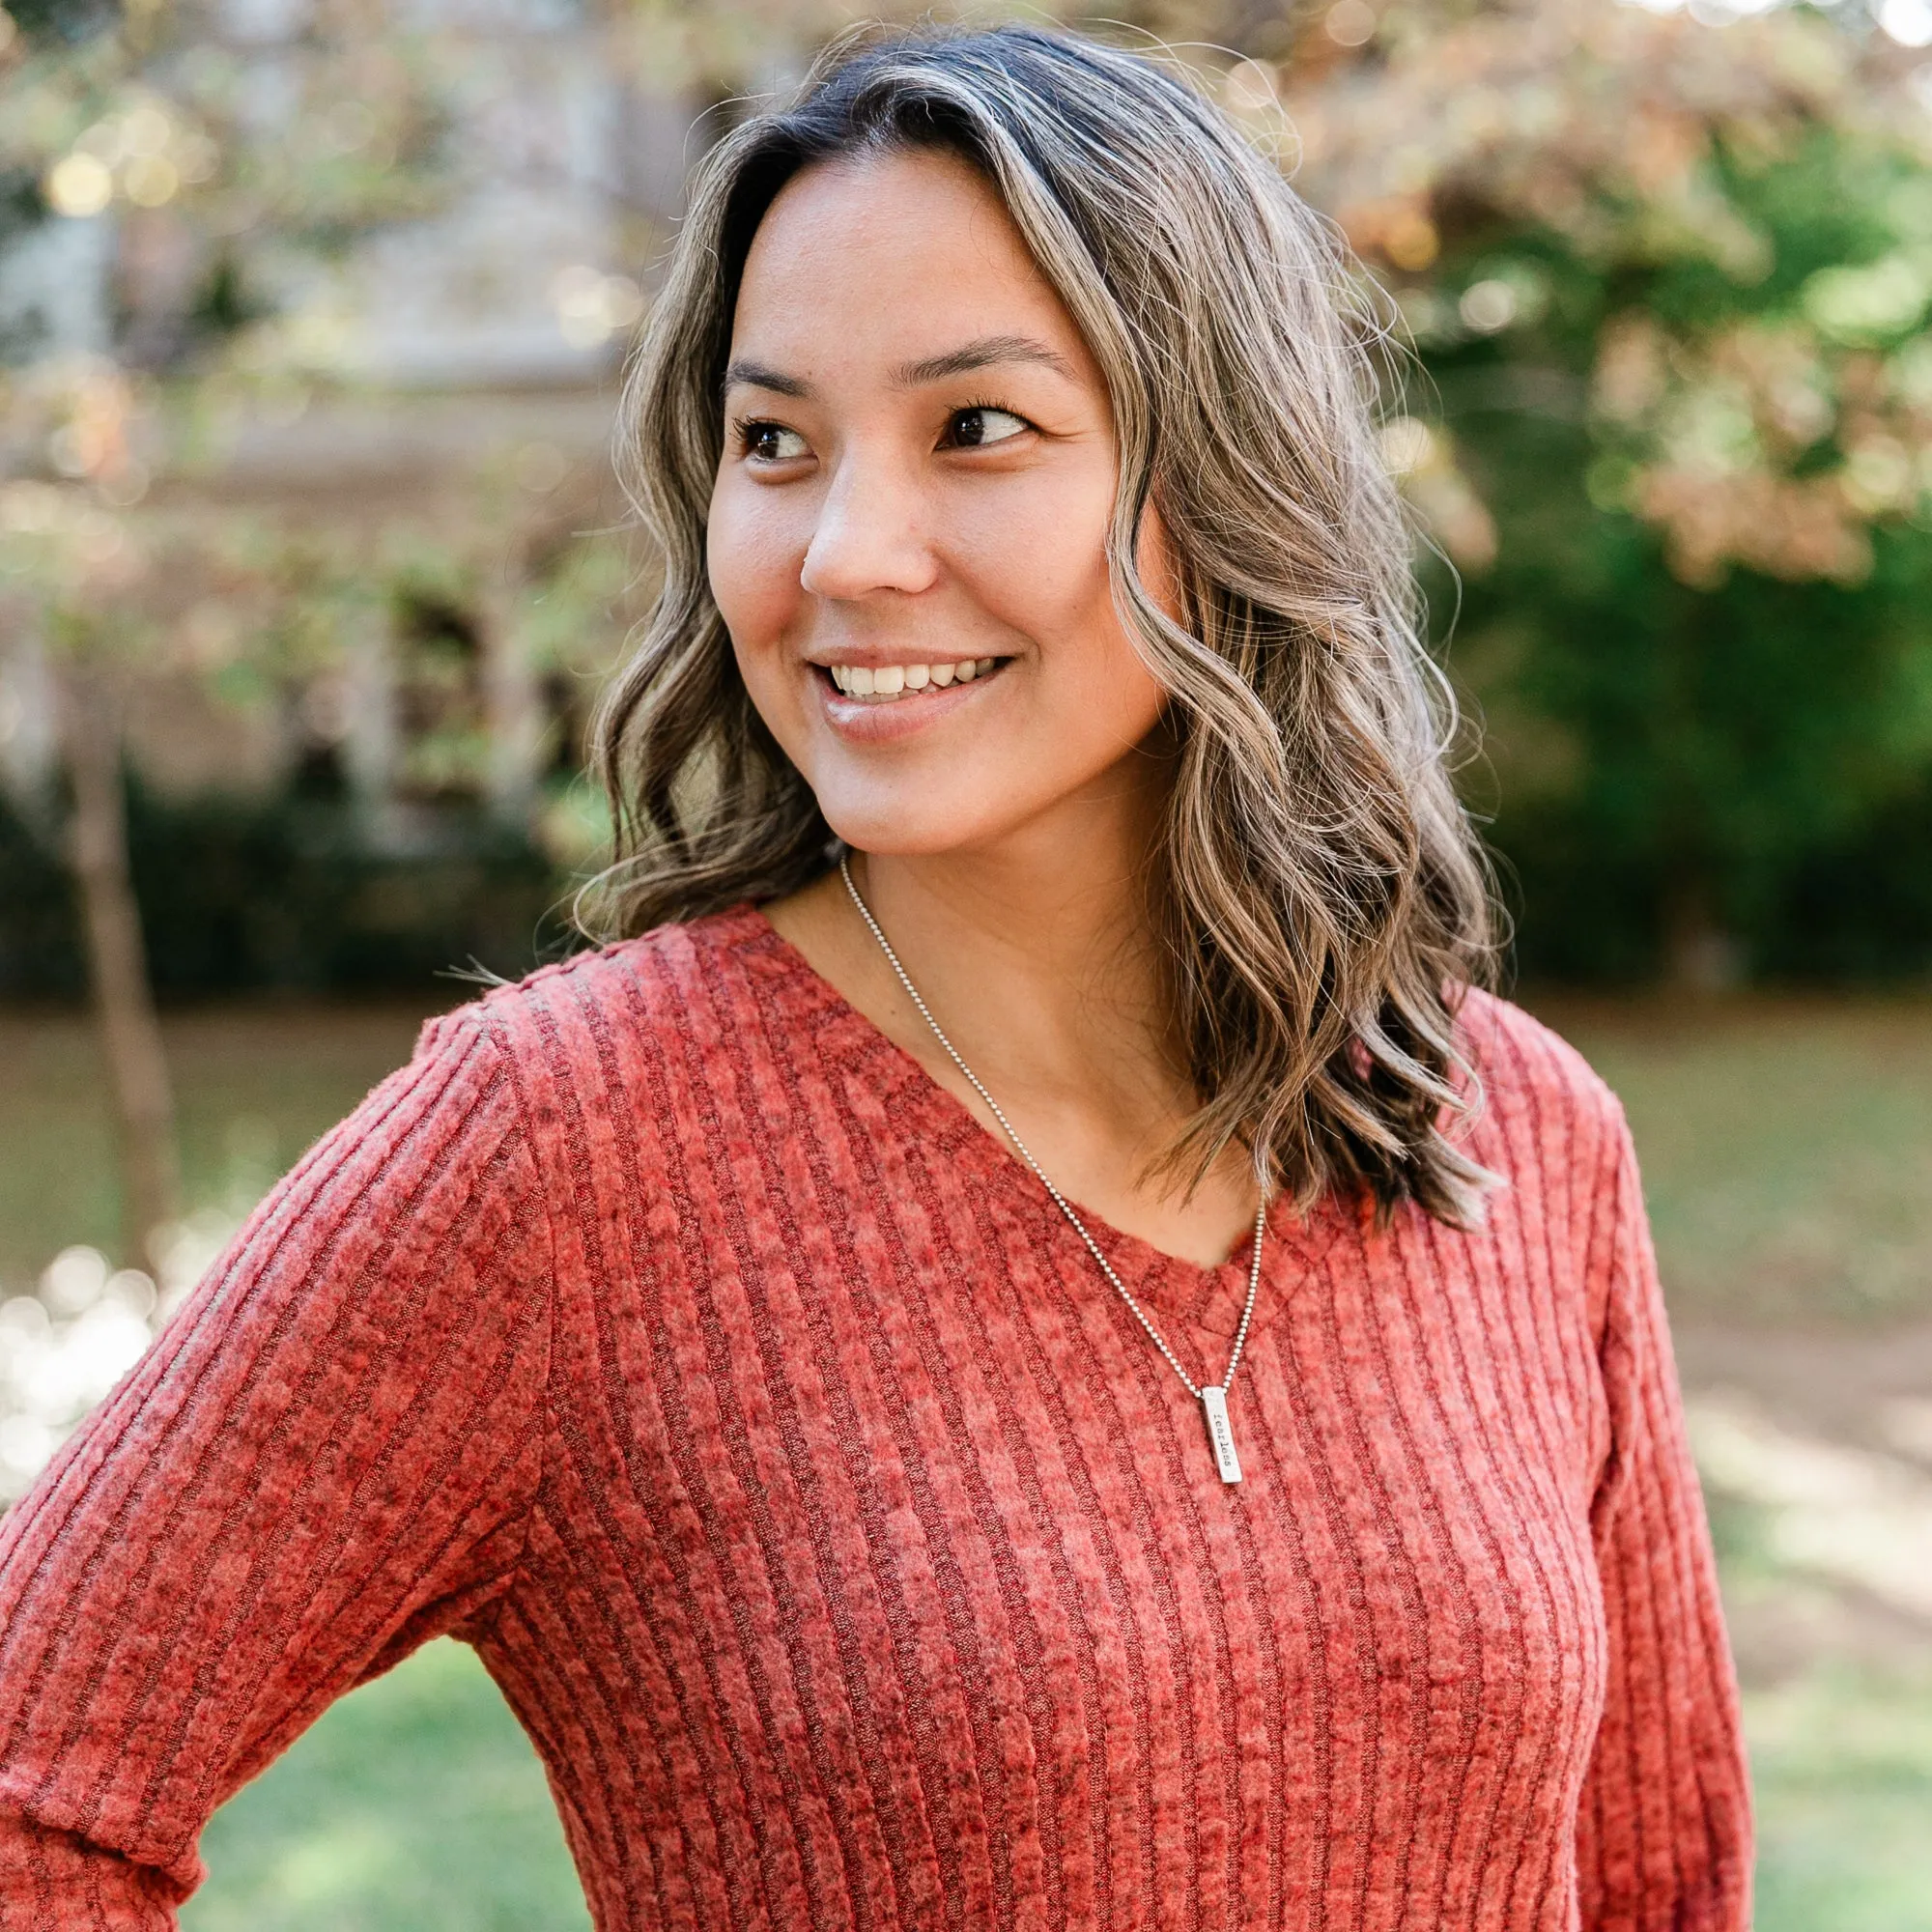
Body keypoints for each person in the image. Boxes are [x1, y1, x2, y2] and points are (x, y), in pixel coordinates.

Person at [0, 22, 1750, 1930]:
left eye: (975, 427)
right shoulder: (559, 1157)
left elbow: (1661, 1886)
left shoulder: (1517, 1138)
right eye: (776, 443)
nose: (844, 550)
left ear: (1224, 479)